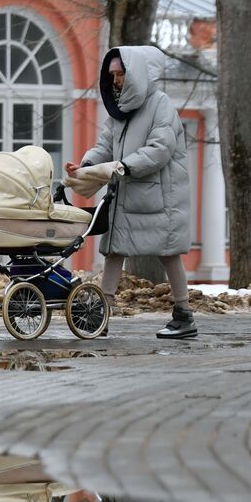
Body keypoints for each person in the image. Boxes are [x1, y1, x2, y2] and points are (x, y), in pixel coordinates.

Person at [65, 45, 195, 340]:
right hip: (128, 193)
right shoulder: (120, 110)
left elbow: (160, 149)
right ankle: (104, 312)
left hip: (161, 198)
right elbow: (105, 146)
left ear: (135, 73)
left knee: (168, 252)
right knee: (114, 249)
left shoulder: (160, 105)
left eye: (120, 73)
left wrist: (123, 166)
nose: (115, 80)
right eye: (112, 74)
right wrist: (86, 165)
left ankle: (184, 315)